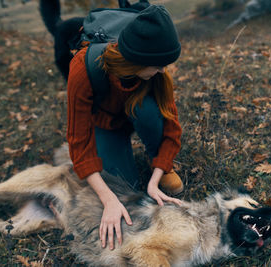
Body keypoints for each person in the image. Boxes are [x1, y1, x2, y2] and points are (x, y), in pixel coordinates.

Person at [66, 5, 183, 251]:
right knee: (124, 188)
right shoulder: (83, 67)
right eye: (159, 65)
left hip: (138, 113)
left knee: (151, 112)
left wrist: (156, 177)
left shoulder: (157, 73)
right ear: (138, 60)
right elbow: (79, 142)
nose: (163, 70)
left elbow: (172, 128)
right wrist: (108, 198)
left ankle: (158, 161)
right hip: (106, 124)